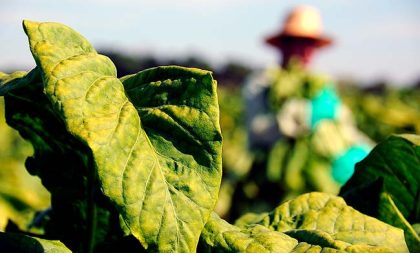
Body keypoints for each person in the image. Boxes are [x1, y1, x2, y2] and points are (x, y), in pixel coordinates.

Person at [233, 5, 373, 218]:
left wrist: (366, 152)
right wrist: (304, 116)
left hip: (326, 179)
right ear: (283, 45)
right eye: (297, 42)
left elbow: (346, 127)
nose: (304, 51)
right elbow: (257, 131)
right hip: (270, 187)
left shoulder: (323, 86)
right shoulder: (263, 82)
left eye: (310, 44)